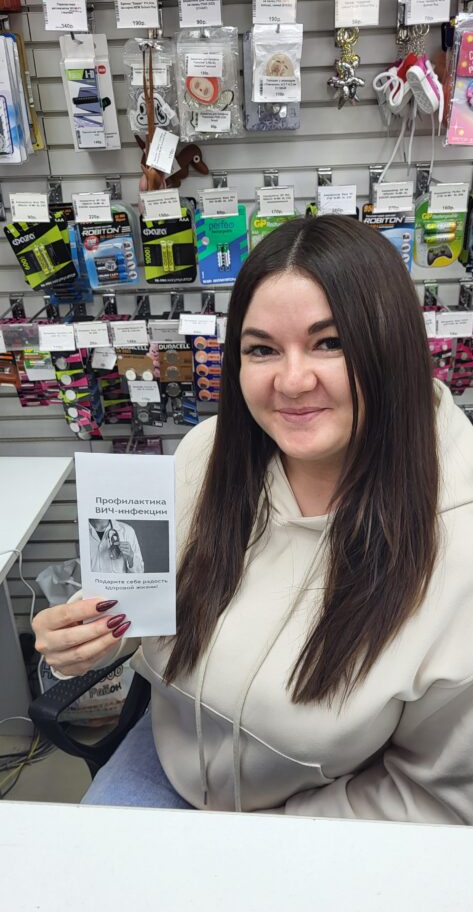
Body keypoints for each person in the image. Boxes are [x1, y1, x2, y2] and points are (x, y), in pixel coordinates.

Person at [33, 216, 473, 823]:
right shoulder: (206, 454)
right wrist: (89, 640)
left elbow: (438, 797)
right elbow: (141, 612)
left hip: (331, 819)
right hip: (164, 761)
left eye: (330, 342)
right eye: (262, 349)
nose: (291, 381)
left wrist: (263, 844)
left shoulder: (459, 543)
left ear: (391, 345)